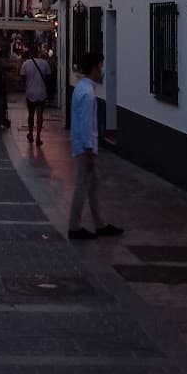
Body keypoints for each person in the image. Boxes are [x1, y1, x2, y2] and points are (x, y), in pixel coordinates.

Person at [68, 52, 122, 240]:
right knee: (83, 186)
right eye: (100, 66)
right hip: (85, 148)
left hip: (83, 146)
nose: (102, 70)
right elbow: (85, 123)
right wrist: (89, 149)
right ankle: (74, 227)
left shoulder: (82, 89)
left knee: (92, 186)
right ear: (93, 68)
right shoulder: (88, 93)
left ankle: (100, 224)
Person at [20, 47, 52, 146]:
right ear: (38, 54)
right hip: (41, 93)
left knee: (30, 114)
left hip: (30, 93)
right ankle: (38, 136)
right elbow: (48, 77)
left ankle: (30, 134)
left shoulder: (25, 64)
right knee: (40, 115)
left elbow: (22, 78)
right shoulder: (45, 63)